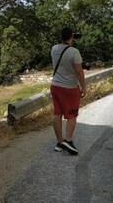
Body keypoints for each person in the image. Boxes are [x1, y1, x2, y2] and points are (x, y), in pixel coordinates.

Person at [50, 27, 86, 155]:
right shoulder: (74, 52)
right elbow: (79, 71)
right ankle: (68, 141)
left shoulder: (54, 49)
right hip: (69, 88)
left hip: (55, 86)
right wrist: (83, 87)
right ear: (71, 36)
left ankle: (59, 142)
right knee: (72, 115)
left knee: (57, 114)